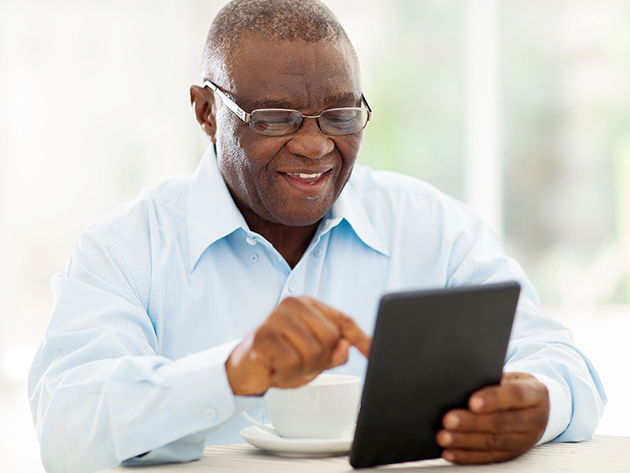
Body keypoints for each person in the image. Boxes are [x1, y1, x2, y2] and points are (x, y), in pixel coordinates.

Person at [28, 1, 606, 472]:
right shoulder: (126, 248)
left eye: (341, 114)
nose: (315, 145)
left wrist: (537, 402)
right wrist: (232, 372)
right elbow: (67, 426)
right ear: (206, 112)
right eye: (275, 118)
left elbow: (563, 362)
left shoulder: (434, 228)